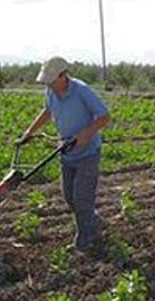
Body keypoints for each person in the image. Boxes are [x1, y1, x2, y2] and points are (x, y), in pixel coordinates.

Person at [20, 56, 111, 254]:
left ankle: (84, 242)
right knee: (69, 197)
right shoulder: (51, 91)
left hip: (88, 153)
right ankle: (93, 221)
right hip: (67, 152)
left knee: (82, 198)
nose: (49, 84)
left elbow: (105, 116)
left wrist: (85, 135)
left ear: (64, 75)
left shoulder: (82, 91)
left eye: (52, 80)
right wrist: (29, 132)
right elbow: (47, 112)